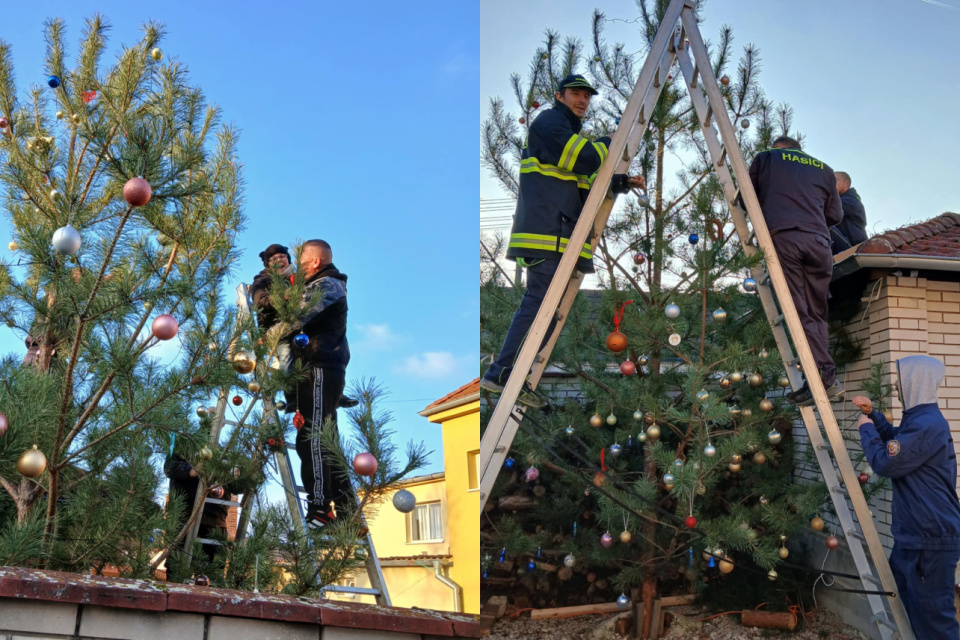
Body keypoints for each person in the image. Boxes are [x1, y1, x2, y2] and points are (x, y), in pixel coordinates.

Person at [480, 74, 644, 406]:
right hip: (548, 233)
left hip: (560, 232)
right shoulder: (550, 122)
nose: (582, 100)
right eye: (576, 94)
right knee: (539, 305)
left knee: (549, 312)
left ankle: (514, 375)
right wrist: (609, 141)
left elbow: (583, 179)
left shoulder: (565, 132)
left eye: (586, 96)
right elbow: (585, 158)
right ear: (560, 95)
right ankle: (501, 374)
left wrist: (621, 182)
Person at [852, 355, 960, 640]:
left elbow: (887, 462)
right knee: (907, 603)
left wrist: (865, 429)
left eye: (900, 379)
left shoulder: (926, 425)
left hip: (930, 538)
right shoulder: (919, 421)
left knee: (934, 621)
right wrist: (874, 415)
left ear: (915, 381)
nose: (897, 385)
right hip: (916, 536)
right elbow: (897, 441)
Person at [747, 136, 844, 406]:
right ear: (799, 150)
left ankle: (825, 378)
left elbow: (746, 197)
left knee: (799, 312)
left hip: (787, 238)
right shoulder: (823, 168)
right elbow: (835, 215)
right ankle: (817, 380)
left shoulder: (767, 158)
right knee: (816, 313)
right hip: (819, 244)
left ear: (779, 148)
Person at [283, 239, 353, 528]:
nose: (297, 269)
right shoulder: (319, 284)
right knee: (317, 438)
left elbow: (297, 317)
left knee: (315, 438)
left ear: (315, 262)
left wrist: (267, 337)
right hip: (311, 368)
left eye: (301, 263)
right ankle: (348, 509)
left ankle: (321, 507)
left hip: (321, 367)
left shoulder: (328, 285)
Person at [249, 242, 356, 410]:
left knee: (336, 349)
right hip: (275, 326)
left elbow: (309, 302)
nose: (279, 260)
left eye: (282, 256)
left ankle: (336, 394)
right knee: (286, 361)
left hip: (298, 327)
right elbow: (260, 302)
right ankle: (292, 397)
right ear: (268, 263)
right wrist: (280, 299)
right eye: (274, 258)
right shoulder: (263, 280)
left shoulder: (300, 278)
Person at [829, 171, 867, 254]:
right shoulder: (835, 200)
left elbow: (831, 208)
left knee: (827, 226)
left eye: (835, 180)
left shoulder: (852, 200)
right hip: (841, 244)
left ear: (846, 184)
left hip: (853, 249)